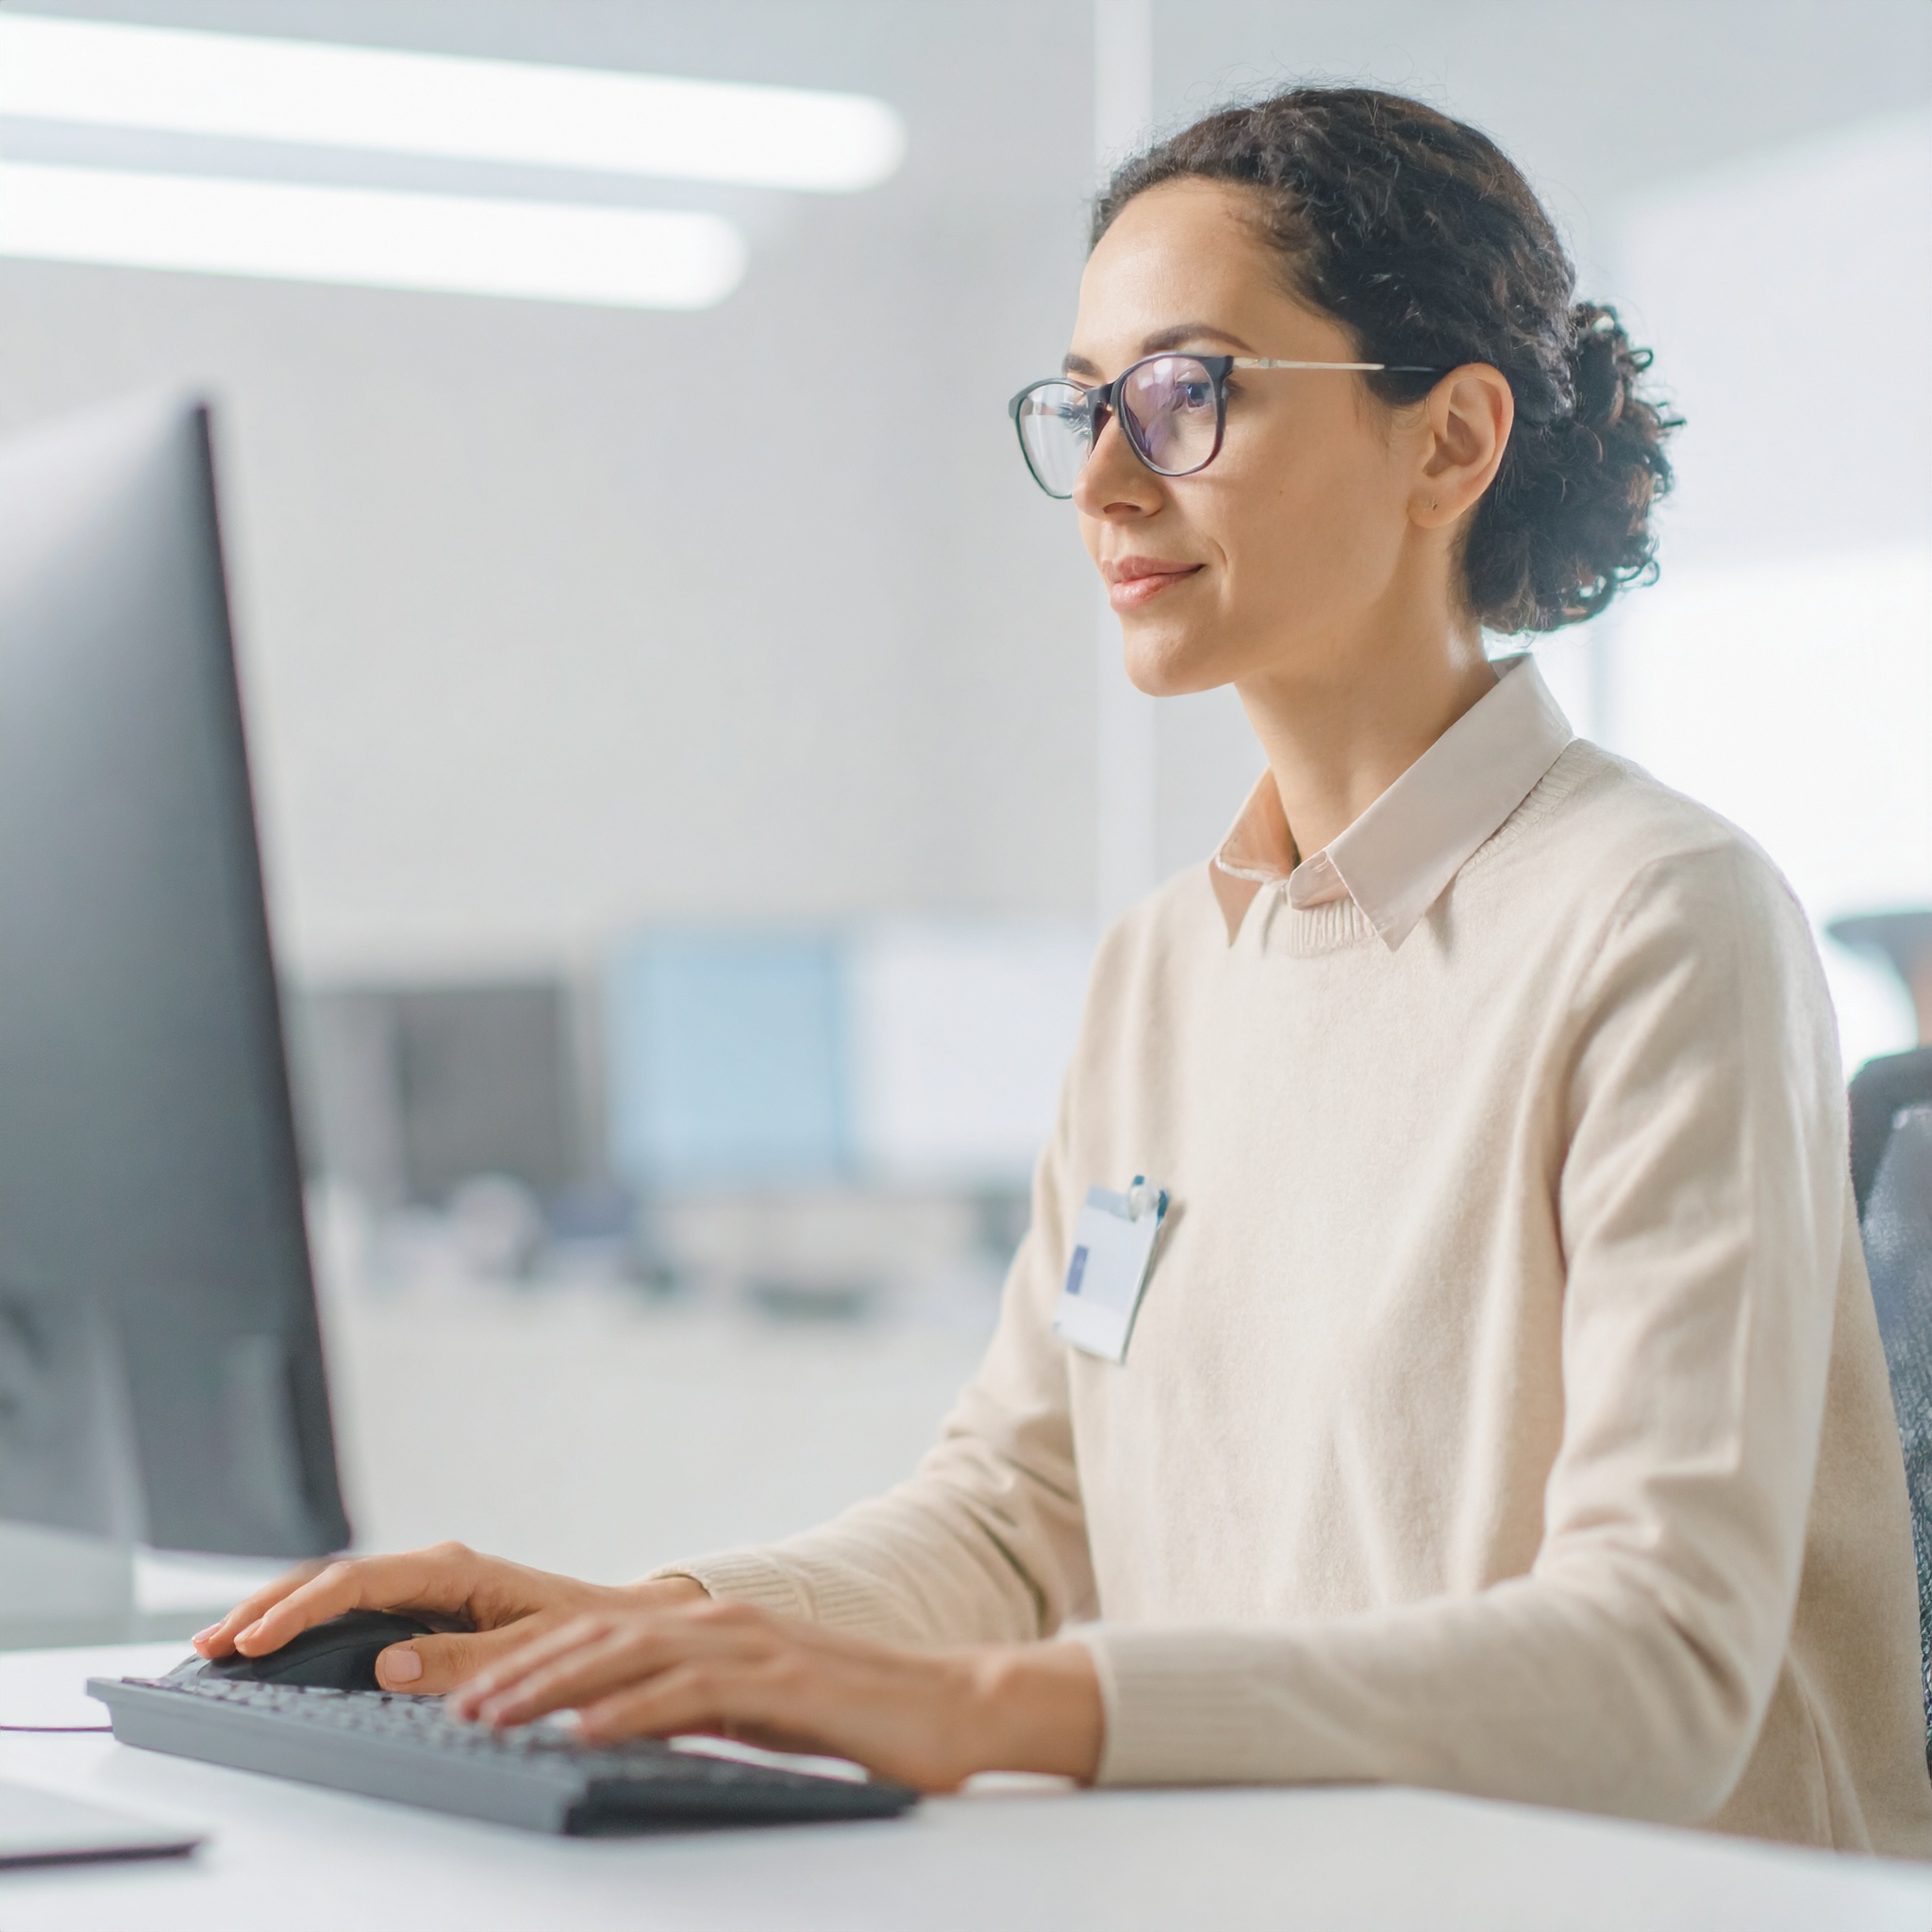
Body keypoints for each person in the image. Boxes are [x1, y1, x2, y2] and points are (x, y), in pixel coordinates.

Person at [195, 85, 1932, 1854]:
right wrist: (646, 1622)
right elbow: (1024, 1520)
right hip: (1287, 1888)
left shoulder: (1660, 918)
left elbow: (1661, 1667)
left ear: (1449, 442)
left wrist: (986, 1715)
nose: (1106, 479)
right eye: (1086, 405)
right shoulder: (1165, 970)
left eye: (1187, 396)